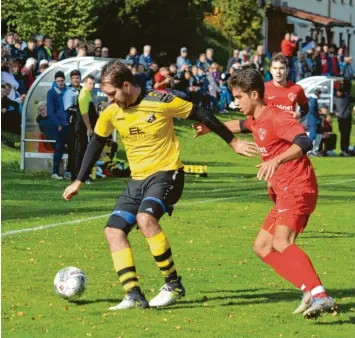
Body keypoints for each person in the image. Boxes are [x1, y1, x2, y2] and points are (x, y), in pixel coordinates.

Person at [62, 60, 257, 311]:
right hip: (137, 180)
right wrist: (79, 180)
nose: (111, 99)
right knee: (113, 231)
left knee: (145, 219)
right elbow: (96, 143)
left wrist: (233, 142)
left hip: (167, 174)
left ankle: (173, 284)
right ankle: (133, 294)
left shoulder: (162, 101)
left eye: (113, 93)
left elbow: (201, 113)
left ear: (126, 85)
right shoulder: (112, 112)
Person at [193, 68, 336, 319]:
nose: (234, 102)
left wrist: (276, 161)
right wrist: (209, 128)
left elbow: (304, 142)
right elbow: (238, 126)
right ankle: (308, 289)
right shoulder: (256, 119)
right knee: (262, 247)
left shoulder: (276, 117)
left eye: (238, 97)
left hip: (298, 187)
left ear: (255, 94)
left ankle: (321, 295)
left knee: (282, 242)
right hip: (284, 191)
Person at [264, 53, 309, 119]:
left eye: (281, 68)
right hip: (268, 128)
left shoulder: (297, 89)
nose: (278, 72)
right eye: (275, 68)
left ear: (287, 70)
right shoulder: (263, 88)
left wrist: (298, 114)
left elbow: (305, 108)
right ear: (271, 70)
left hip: (289, 128)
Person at [46, 71, 68, 179]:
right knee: (59, 148)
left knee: (72, 148)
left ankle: (68, 171)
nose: (60, 83)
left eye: (62, 80)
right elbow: (50, 111)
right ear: (55, 81)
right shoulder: (51, 93)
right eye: (58, 81)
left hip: (68, 124)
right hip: (59, 125)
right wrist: (58, 124)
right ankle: (55, 172)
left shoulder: (67, 91)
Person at [76, 74, 98, 181]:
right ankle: (82, 176)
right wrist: (89, 127)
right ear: (84, 83)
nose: (92, 86)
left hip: (87, 126)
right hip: (83, 127)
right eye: (90, 83)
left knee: (86, 150)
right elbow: (84, 113)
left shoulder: (87, 93)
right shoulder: (84, 94)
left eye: (93, 84)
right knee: (84, 151)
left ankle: (85, 175)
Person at [63, 70, 82, 180]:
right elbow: (68, 108)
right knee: (72, 148)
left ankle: (77, 170)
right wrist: (80, 110)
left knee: (79, 148)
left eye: (78, 77)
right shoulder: (68, 92)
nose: (76, 80)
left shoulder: (82, 90)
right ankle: (70, 171)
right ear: (71, 79)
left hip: (80, 123)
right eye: (74, 78)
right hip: (72, 123)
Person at [333, 87, 353, 156]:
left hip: (347, 119)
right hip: (340, 119)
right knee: (342, 135)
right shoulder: (335, 99)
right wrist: (335, 112)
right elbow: (332, 107)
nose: (338, 93)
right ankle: (343, 150)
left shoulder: (347, 98)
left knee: (346, 135)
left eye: (339, 92)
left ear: (343, 92)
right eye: (337, 92)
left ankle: (345, 150)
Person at [307, 89, 322, 156]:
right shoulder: (313, 100)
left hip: (311, 119)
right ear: (318, 94)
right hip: (313, 120)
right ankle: (309, 151)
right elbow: (312, 110)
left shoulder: (311, 99)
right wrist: (318, 115)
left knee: (314, 135)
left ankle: (312, 151)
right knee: (312, 136)